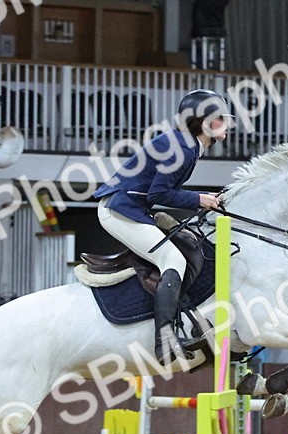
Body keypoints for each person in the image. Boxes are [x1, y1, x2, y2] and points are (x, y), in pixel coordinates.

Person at [93, 89, 235, 364]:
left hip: (131, 206)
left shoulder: (187, 145)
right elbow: (158, 195)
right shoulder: (183, 148)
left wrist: (200, 198)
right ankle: (165, 341)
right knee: (173, 259)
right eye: (221, 118)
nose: (227, 123)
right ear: (205, 122)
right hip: (119, 209)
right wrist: (199, 199)